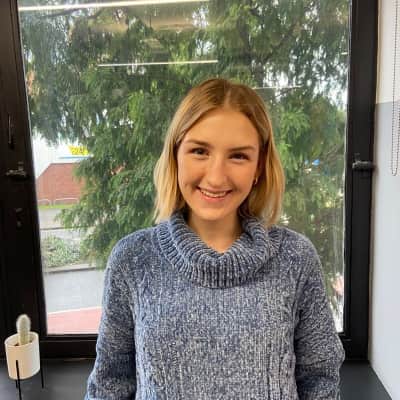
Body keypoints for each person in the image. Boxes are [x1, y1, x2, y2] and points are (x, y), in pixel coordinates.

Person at [84, 78, 345, 399]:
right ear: (175, 154)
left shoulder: (296, 259)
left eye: (238, 156)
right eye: (199, 151)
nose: (216, 176)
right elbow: (109, 385)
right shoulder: (132, 259)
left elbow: (320, 382)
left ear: (259, 166)